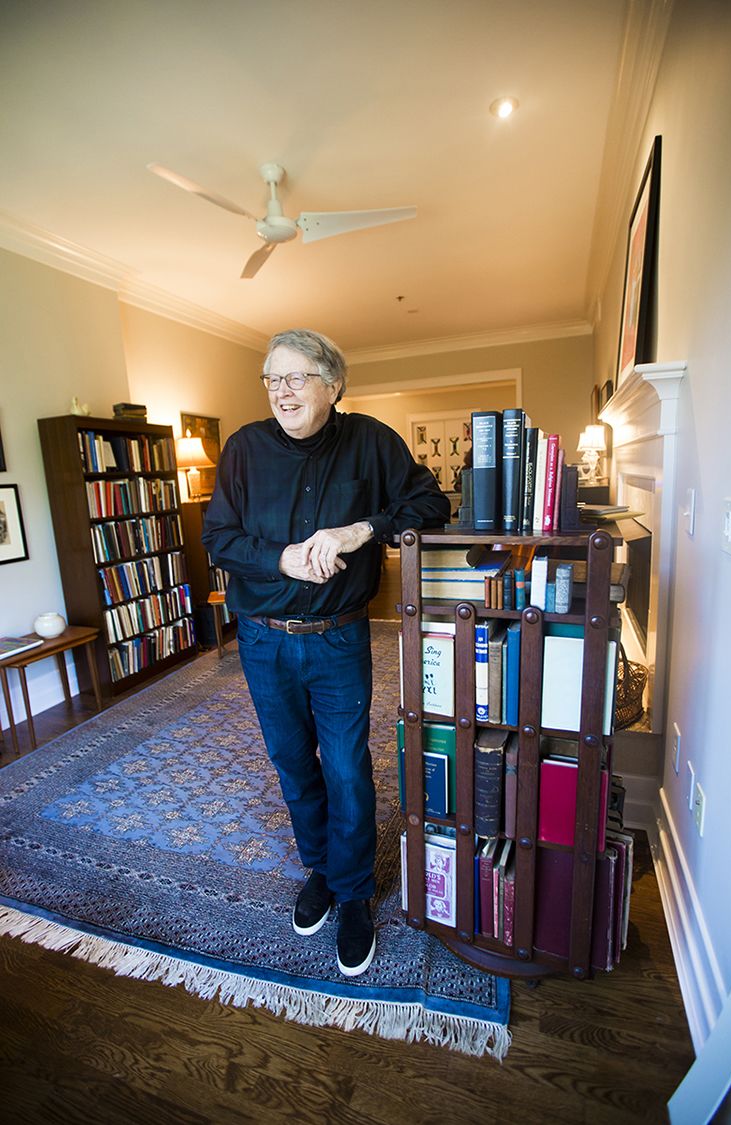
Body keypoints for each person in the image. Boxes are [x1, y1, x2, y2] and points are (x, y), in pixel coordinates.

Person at [202, 328, 450, 977]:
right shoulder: (244, 450)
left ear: (333, 383)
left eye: (296, 377)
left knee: (345, 767)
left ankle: (354, 893)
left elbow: (432, 502)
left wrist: (362, 527)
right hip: (262, 639)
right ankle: (320, 867)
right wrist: (280, 557)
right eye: (272, 378)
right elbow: (218, 537)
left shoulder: (372, 441)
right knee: (293, 765)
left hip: (340, 636)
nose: (282, 390)